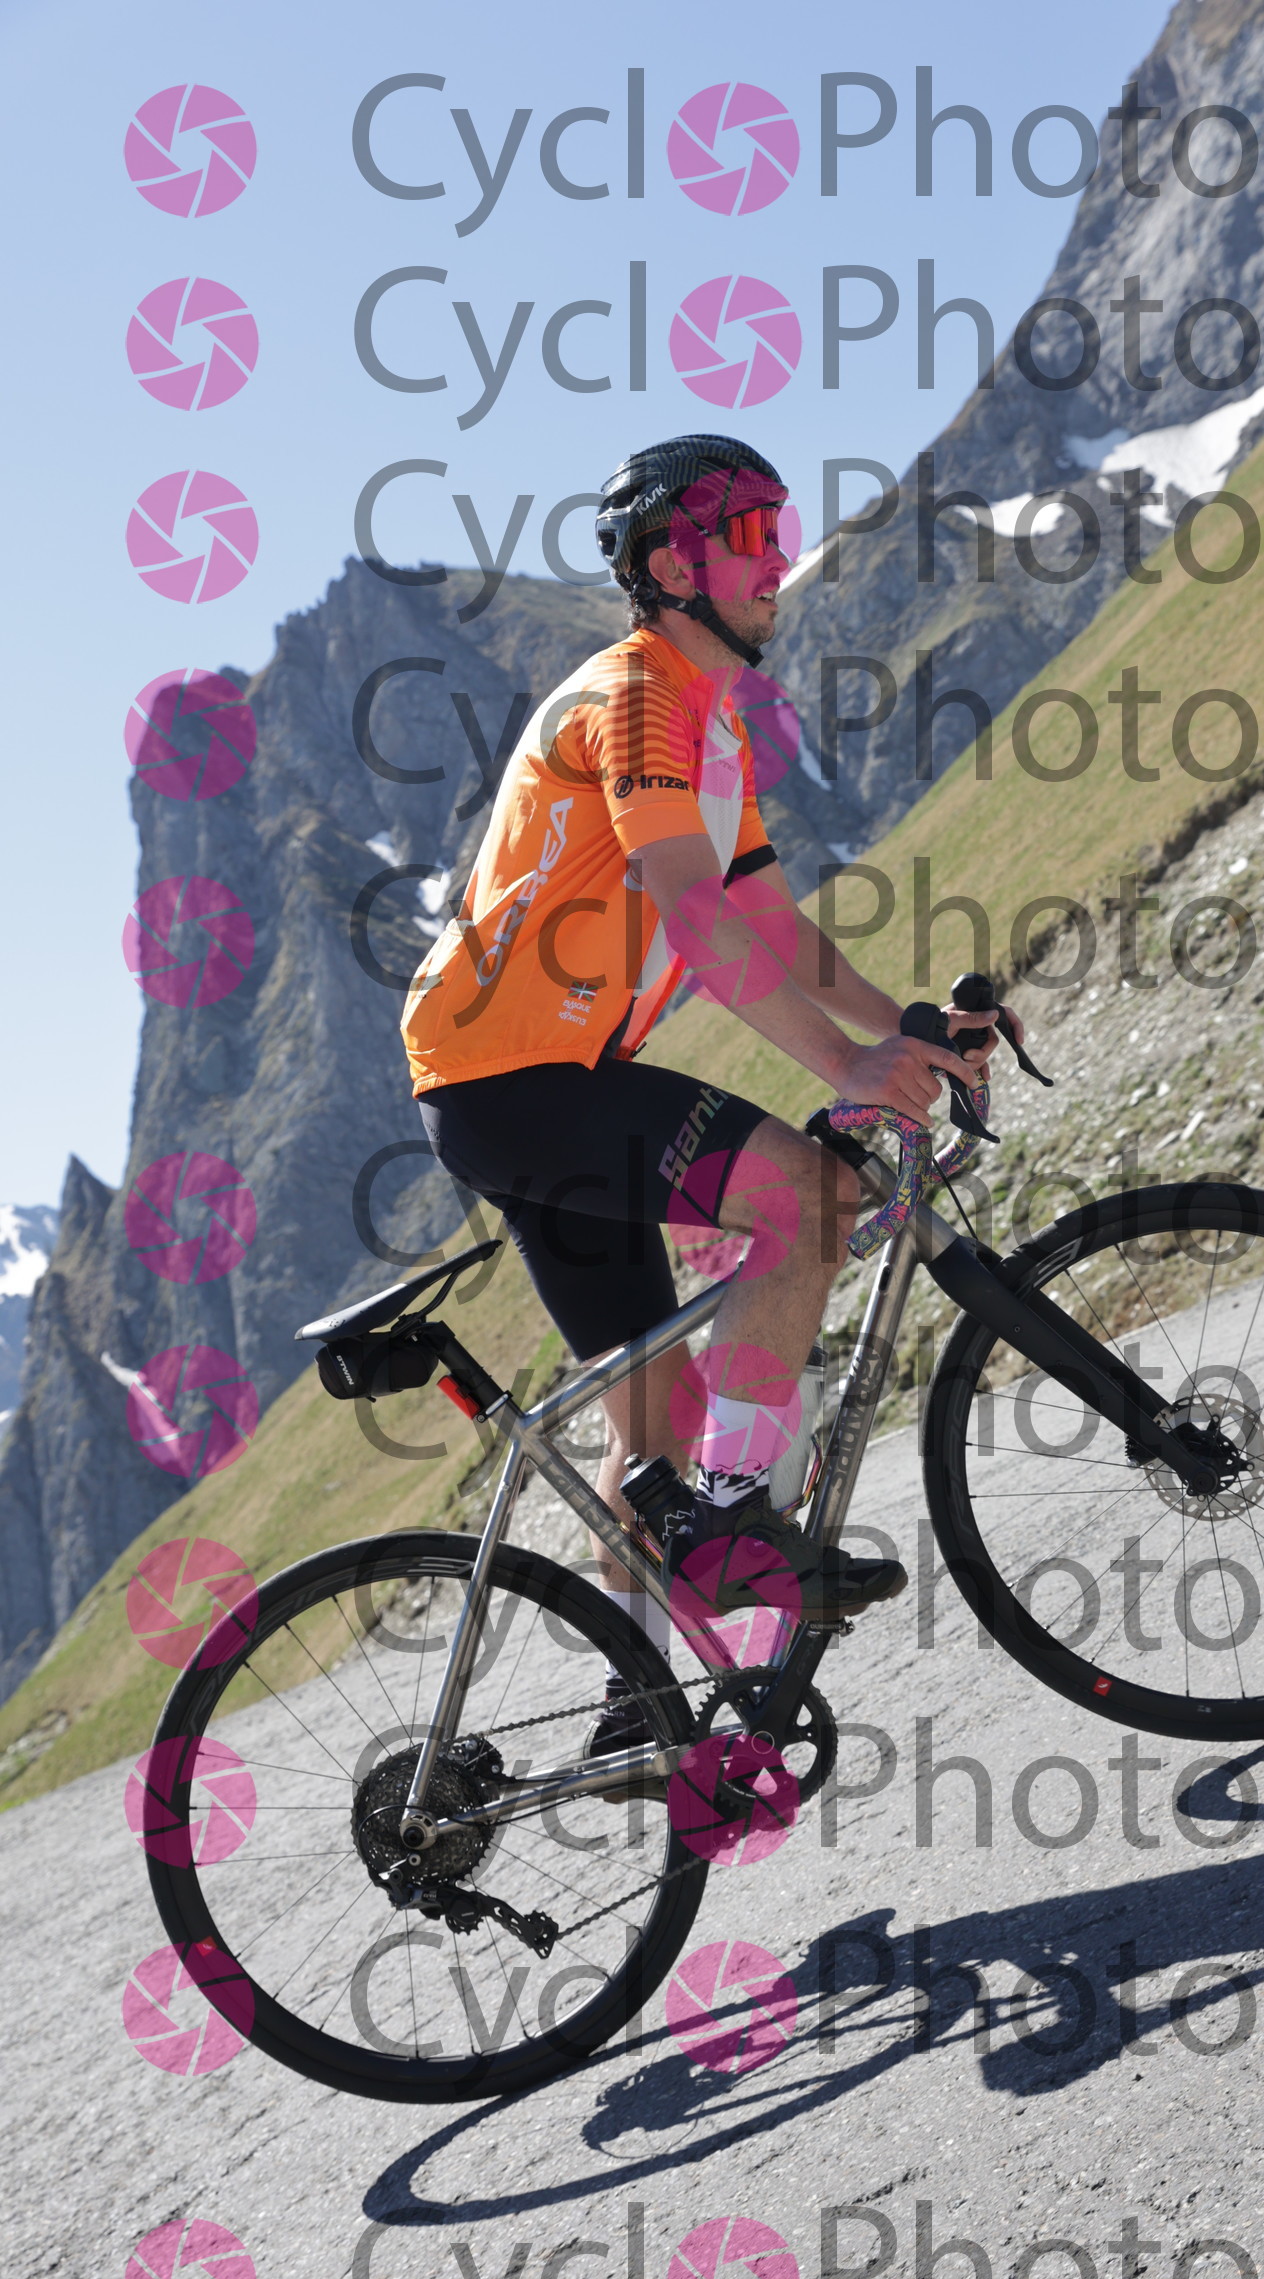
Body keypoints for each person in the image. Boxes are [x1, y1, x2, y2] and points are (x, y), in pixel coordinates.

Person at [402, 432, 1008, 1751]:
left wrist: (898, 1027)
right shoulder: (635, 699)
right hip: (514, 1080)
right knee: (806, 1194)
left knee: (657, 1423)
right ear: (674, 565)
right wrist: (845, 1069)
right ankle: (738, 1521)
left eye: (780, 534)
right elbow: (694, 917)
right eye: (749, 538)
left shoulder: (707, 723)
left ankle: (636, 1716)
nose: (777, 563)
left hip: (525, 1085)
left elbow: (771, 927)